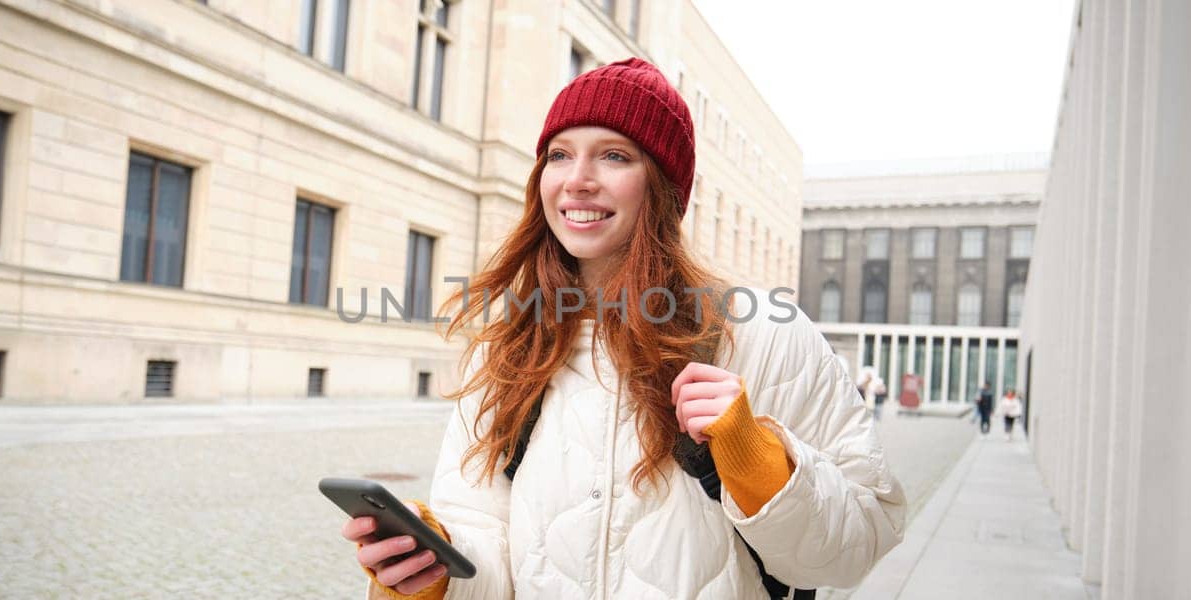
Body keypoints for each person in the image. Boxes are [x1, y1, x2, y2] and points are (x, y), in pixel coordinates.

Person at [337, 58, 905, 599]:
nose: (578, 180)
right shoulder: (511, 347)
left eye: (613, 156)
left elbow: (854, 549)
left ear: (662, 187)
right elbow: (486, 549)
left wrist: (759, 463)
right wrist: (435, 571)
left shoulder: (759, 331)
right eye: (559, 155)